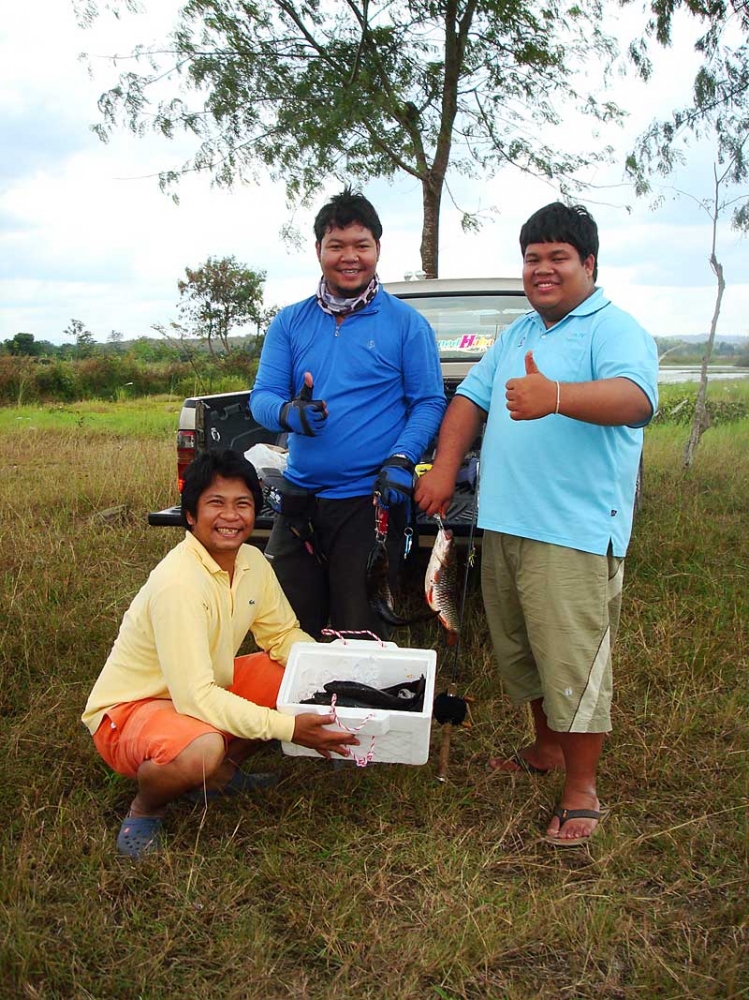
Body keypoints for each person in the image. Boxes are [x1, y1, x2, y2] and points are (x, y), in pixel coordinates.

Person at [415, 202, 658, 846]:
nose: (542, 270)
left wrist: (555, 396)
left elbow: (636, 400)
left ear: (589, 264)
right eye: (532, 258)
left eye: (558, 258)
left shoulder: (614, 328)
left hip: (573, 531)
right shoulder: (519, 334)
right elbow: (470, 398)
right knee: (521, 649)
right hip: (506, 524)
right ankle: (546, 748)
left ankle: (582, 791)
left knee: (572, 660)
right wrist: (442, 470)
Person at [82, 450, 358, 859]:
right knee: (201, 748)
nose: (231, 515)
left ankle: (220, 775)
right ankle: (146, 807)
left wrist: (332, 670)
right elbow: (196, 697)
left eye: (242, 504)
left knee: (292, 672)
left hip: (197, 689)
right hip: (131, 711)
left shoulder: (250, 561)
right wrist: (288, 727)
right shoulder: (179, 584)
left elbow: (281, 633)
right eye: (216, 503)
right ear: (190, 515)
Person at [249, 186, 446, 638]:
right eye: (336, 245)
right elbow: (261, 397)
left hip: (369, 503)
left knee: (361, 631)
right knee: (288, 628)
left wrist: (402, 458)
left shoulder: (406, 323)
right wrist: (287, 413)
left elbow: (429, 401)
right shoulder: (290, 322)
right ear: (319, 249)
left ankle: (358, 706)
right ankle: (298, 709)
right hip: (299, 500)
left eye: (361, 245)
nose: (349, 256)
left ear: (378, 249)